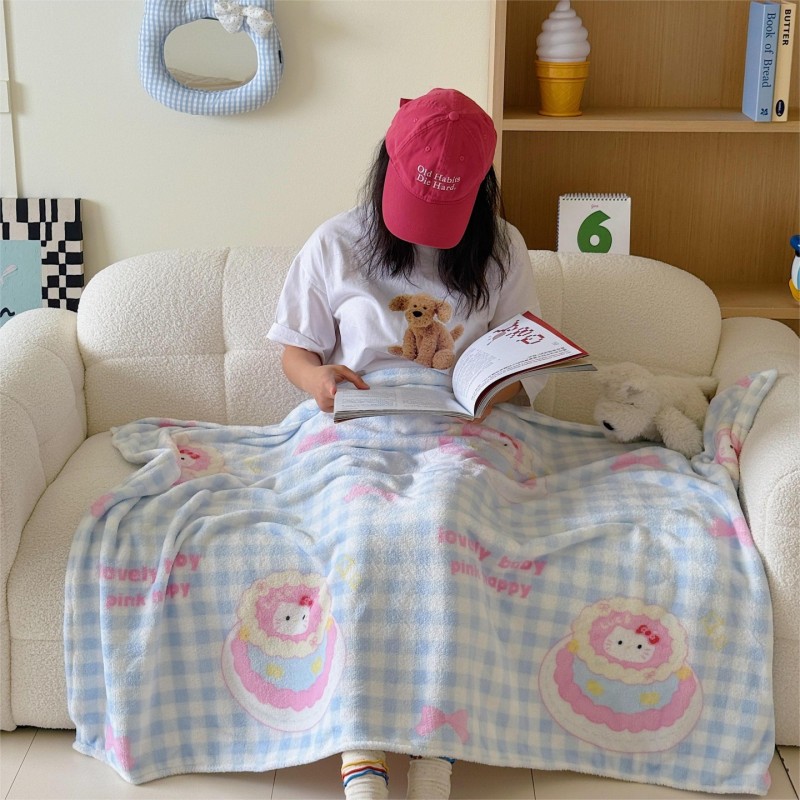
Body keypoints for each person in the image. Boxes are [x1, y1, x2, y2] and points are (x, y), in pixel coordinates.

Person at [267, 87, 546, 800]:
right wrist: (319, 379)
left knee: (446, 525)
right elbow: (295, 352)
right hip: (357, 420)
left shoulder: (503, 249)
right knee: (361, 530)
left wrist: (493, 386)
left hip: (461, 425)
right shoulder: (336, 242)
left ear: (480, 190)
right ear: (386, 165)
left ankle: (434, 744)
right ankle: (361, 743)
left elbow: (525, 360)